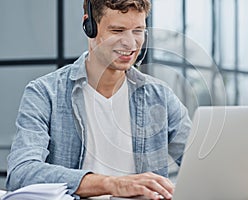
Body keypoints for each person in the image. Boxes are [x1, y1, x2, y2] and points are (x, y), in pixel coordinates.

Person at [6, 0, 191, 199]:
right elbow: (21, 172)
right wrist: (112, 184)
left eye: (138, 30)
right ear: (89, 26)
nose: (130, 43)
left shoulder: (160, 96)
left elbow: (202, 162)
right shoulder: (45, 93)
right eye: (118, 30)